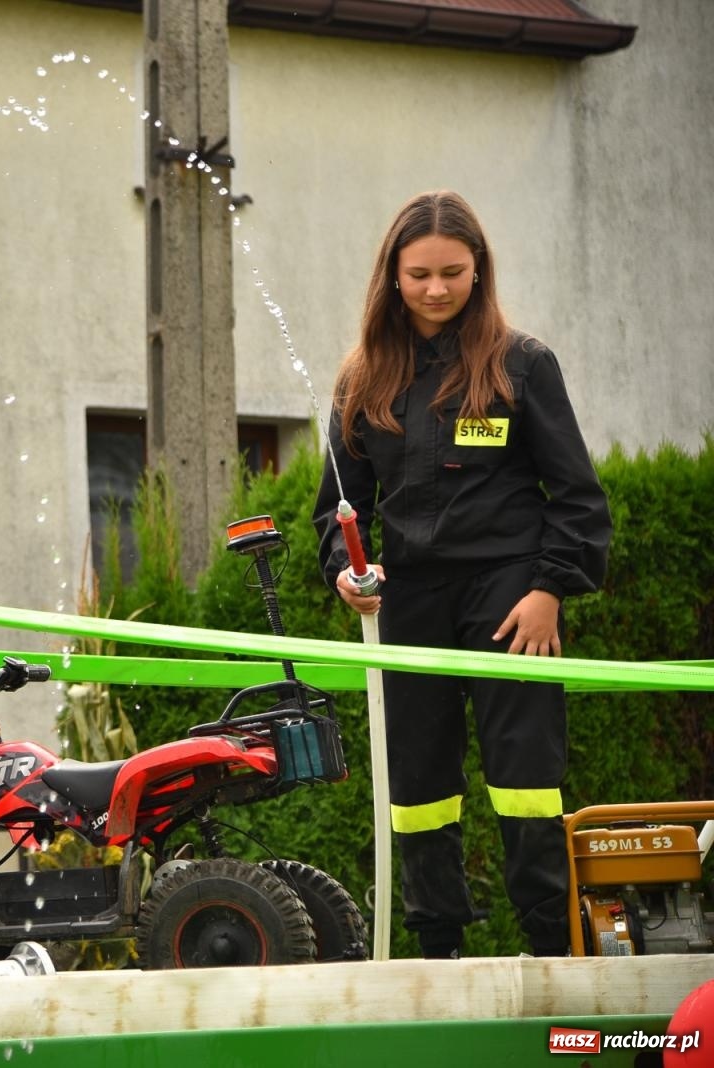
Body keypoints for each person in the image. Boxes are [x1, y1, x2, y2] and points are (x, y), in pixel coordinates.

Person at [311, 190, 612, 959]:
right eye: (419, 275)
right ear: (393, 275)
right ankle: (436, 949)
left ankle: (554, 949)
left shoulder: (522, 365)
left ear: (479, 271)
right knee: (417, 786)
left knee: (525, 778)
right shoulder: (363, 377)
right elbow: (337, 511)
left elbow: (576, 498)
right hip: (408, 596)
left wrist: (548, 591)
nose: (436, 289)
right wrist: (345, 575)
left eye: (452, 272)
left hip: (512, 595)